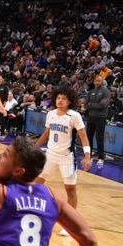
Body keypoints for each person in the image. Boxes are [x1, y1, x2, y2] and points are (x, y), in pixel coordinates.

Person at [35, 86, 92, 236]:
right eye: (58, 98)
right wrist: (34, 147)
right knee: (36, 183)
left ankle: (70, 223)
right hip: (50, 155)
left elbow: (84, 137)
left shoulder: (74, 116)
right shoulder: (51, 114)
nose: (60, 100)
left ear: (70, 101)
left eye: (63, 99)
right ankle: (32, 212)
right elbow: (47, 133)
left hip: (67, 157)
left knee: (70, 190)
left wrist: (87, 156)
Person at [82, 75, 110, 167]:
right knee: (88, 137)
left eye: (99, 81)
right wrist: (94, 104)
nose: (98, 82)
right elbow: (86, 105)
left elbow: (103, 106)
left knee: (99, 138)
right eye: (96, 81)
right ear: (94, 82)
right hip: (91, 117)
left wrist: (91, 104)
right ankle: (88, 156)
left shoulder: (106, 91)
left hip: (101, 118)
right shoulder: (91, 92)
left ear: (102, 82)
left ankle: (101, 158)